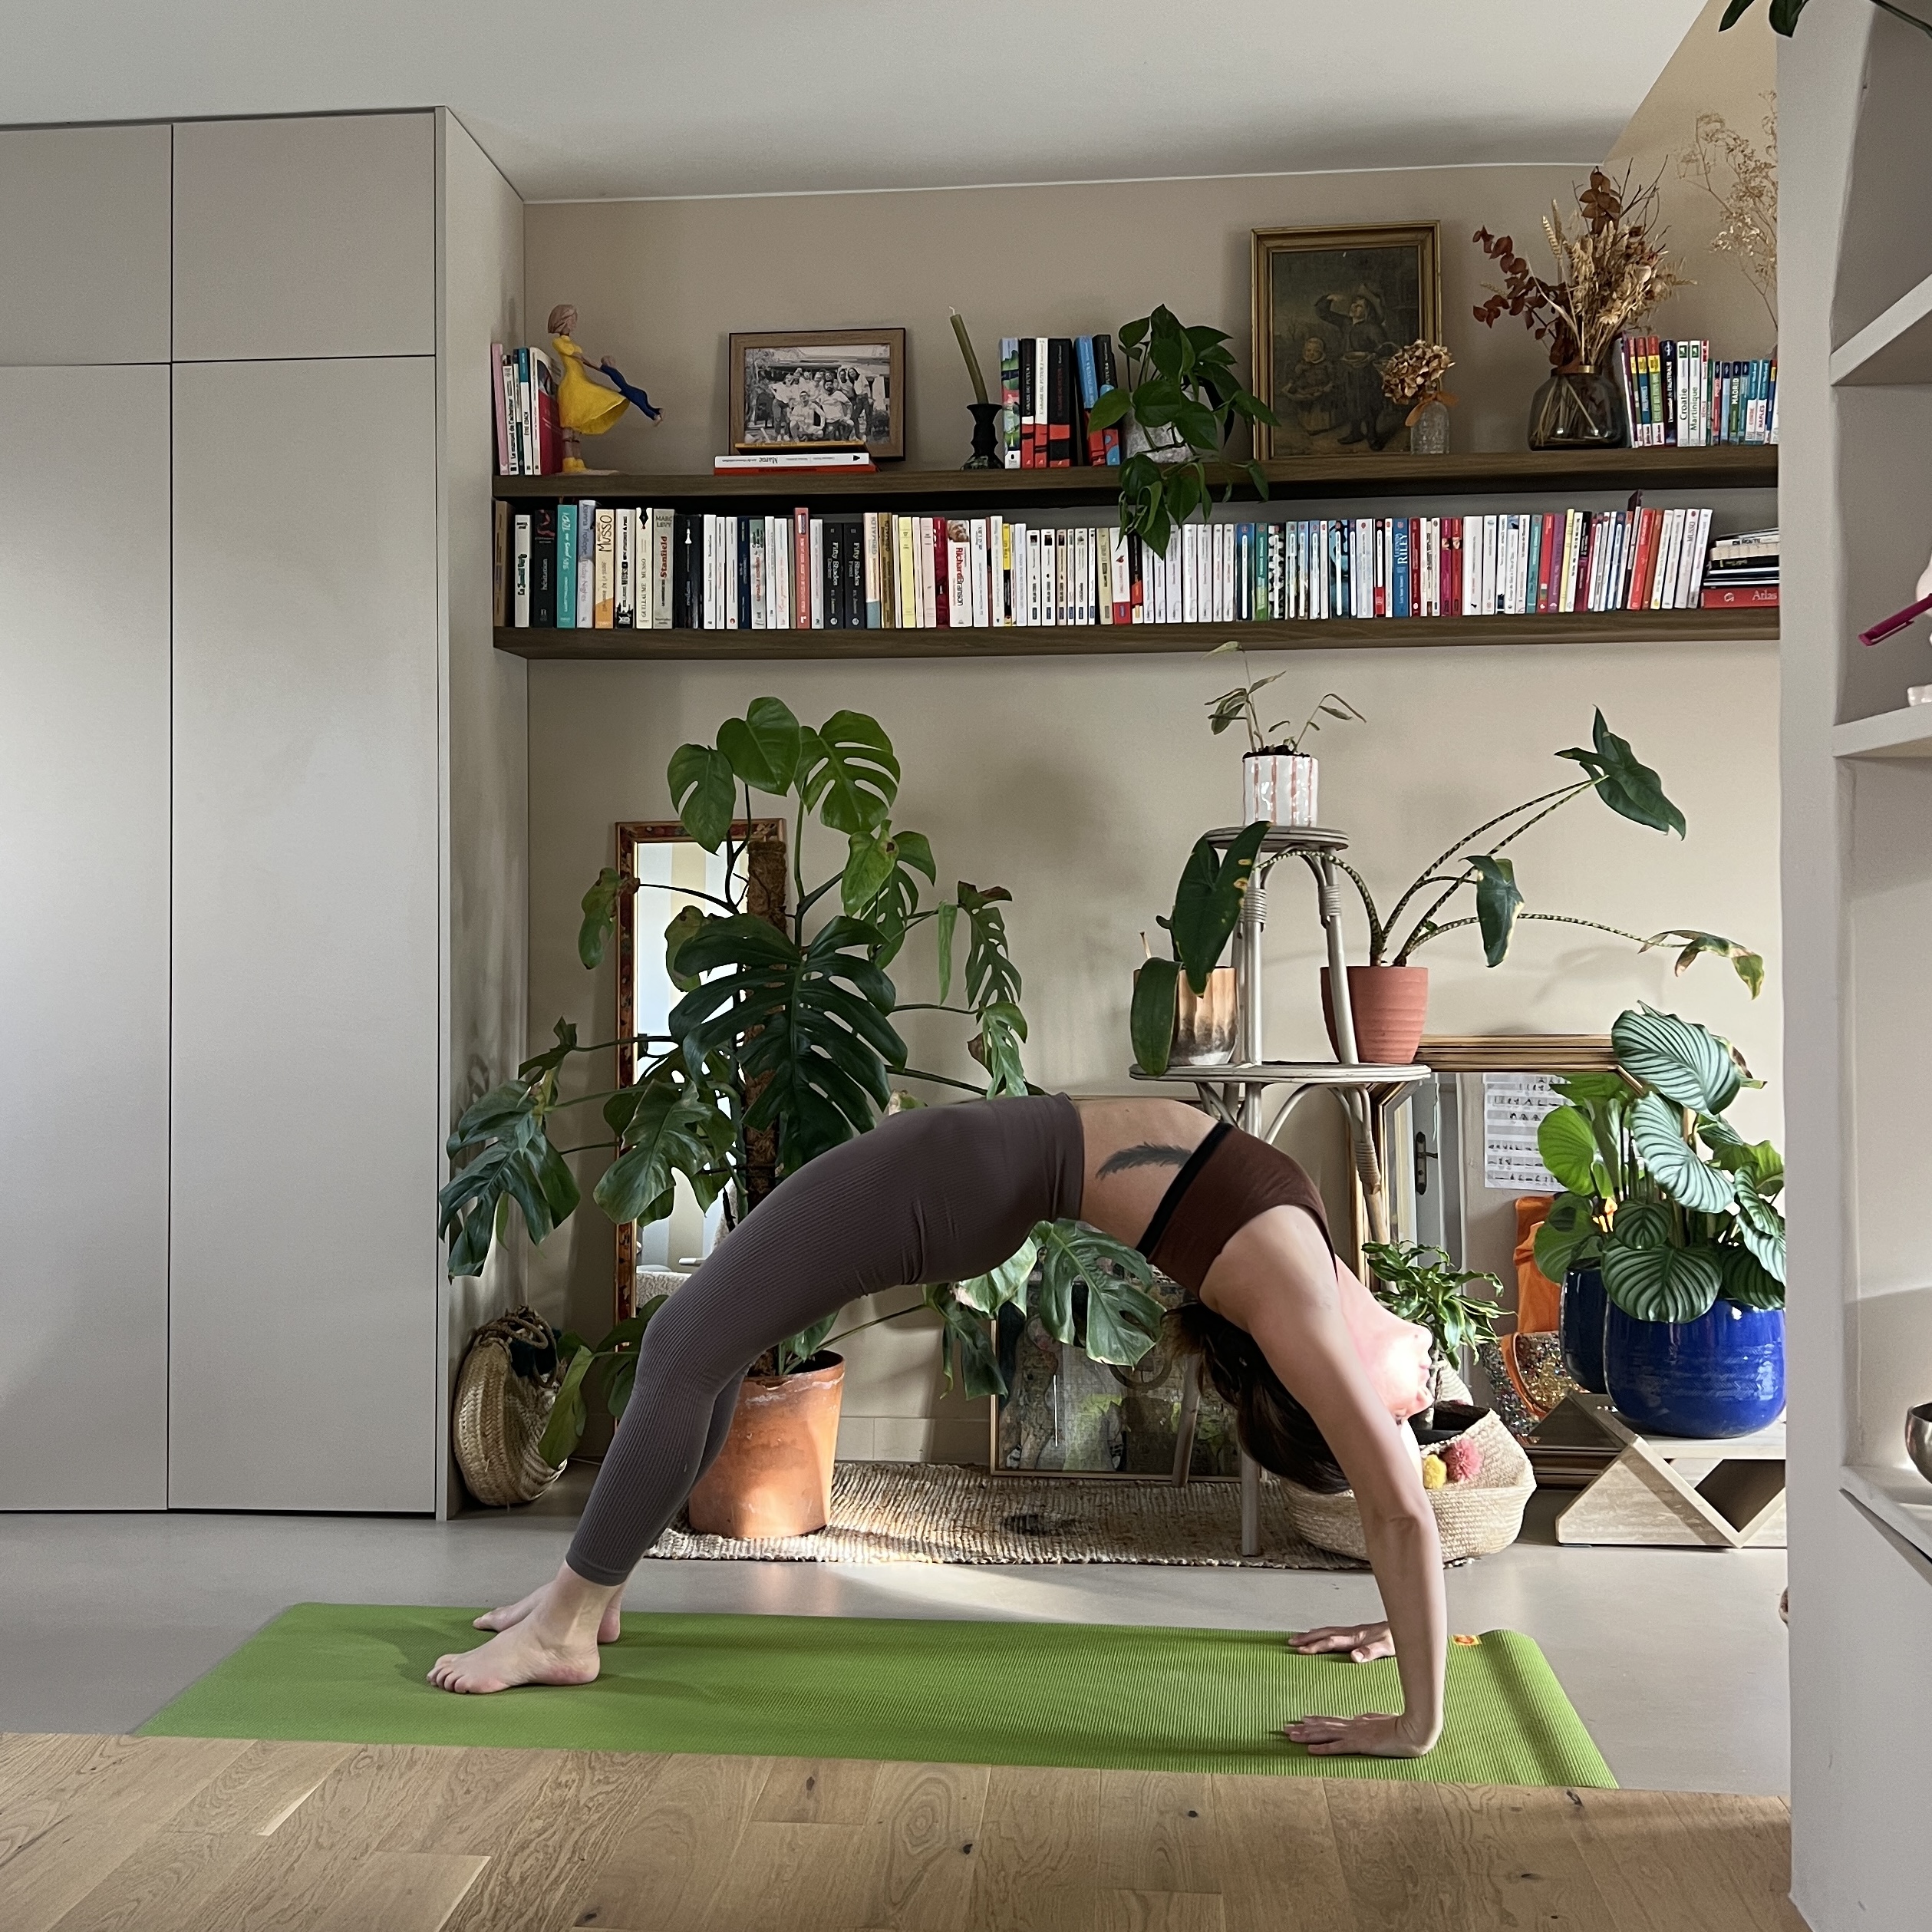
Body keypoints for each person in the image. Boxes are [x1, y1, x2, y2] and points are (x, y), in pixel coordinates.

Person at [429, 1094, 1446, 1762]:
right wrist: (1395, 1622)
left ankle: (566, 1627)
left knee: (682, 1346)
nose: (1432, 1388)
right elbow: (1409, 1487)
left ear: (1340, 1394)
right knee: (706, 1349)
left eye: (1412, 1410)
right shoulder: (1317, 1269)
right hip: (969, 1169)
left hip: (952, 1177)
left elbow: (1401, 1510)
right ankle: (594, 1591)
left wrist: (1415, 1718)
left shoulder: (1300, 1304)